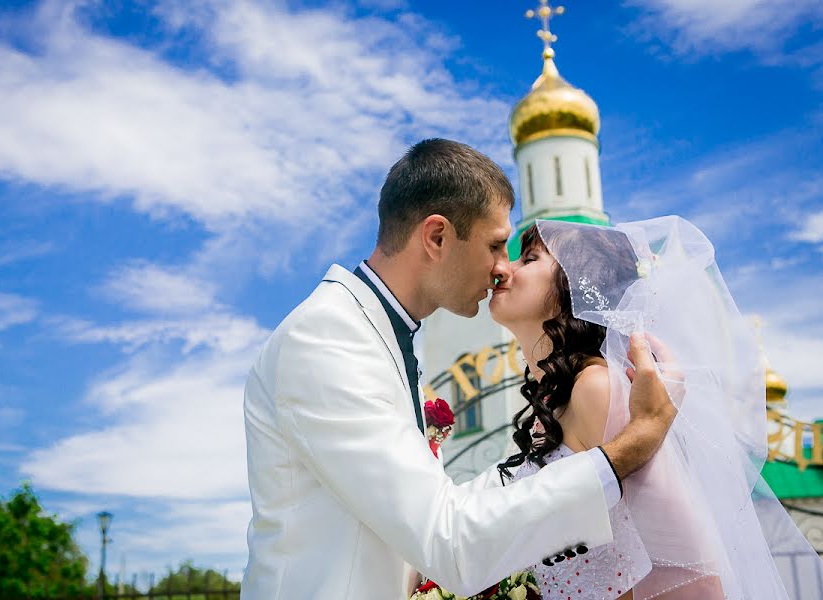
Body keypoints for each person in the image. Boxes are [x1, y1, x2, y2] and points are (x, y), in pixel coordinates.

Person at [241, 139, 676, 600]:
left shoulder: (375, 334)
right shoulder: (329, 337)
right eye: (494, 246)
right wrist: (631, 445)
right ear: (437, 237)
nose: (500, 268)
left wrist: (543, 461)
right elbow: (446, 539)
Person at [489, 218, 823, 599]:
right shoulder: (556, 399)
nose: (503, 268)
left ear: (574, 286)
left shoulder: (597, 389)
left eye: (529, 258)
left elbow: (685, 561)